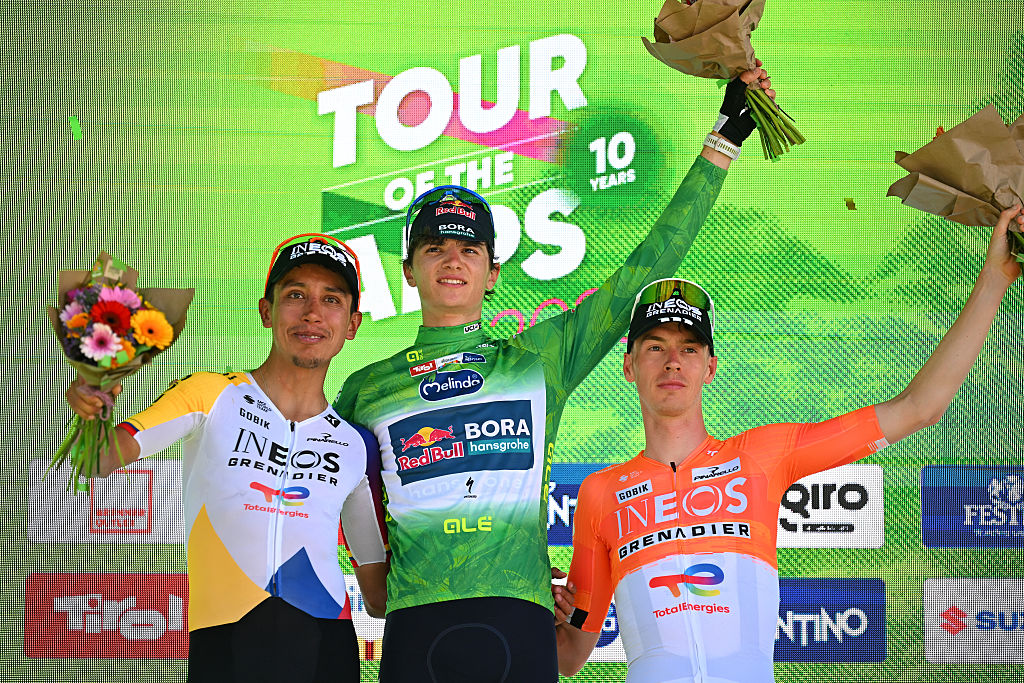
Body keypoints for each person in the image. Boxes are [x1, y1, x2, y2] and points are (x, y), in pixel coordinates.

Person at [331, 65, 775, 681]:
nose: (453, 260)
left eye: (469, 249)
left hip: (520, 623)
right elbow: (333, 501)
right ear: (409, 269)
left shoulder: (538, 359)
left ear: (493, 272)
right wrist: (373, 582)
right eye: (434, 248)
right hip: (415, 628)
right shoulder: (366, 389)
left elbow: (647, 269)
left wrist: (724, 141)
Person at [554, 205, 1024, 682]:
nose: (672, 360)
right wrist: (529, 604)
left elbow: (919, 407)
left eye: (689, 348)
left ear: (709, 368)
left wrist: (995, 278)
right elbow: (568, 656)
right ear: (629, 366)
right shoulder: (601, 493)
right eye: (655, 346)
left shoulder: (761, 455)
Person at [65, 234, 390, 683]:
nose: (313, 313)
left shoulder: (356, 444)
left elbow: (378, 597)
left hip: (327, 650)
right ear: (266, 311)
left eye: (331, 299)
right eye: (295, 295)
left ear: (352, 324)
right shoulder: (209, 394)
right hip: (225, 644)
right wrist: (90, 407)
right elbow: (96, 459)